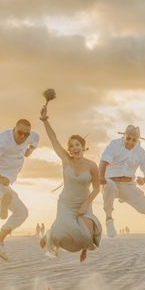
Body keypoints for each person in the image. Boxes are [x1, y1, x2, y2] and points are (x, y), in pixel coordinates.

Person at [38, 106, 102, 262]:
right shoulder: (66, 161)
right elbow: (54, 140)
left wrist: (85, 205)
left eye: (77, 145)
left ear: (82, 146)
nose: (74, 148)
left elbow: (97, 188)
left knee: (86, 235)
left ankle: (85, 249)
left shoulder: (92, 165)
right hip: (66, 203)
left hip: (84, 202)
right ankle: (49, 235)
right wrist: (45, 121)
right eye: (71, 146)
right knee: (60, 234)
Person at [0, 119, 38, 261]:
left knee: (22, 212)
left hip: (5, 184)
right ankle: (0, 205)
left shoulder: (30, 136)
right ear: (14, 129)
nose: (22, 137)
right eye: (20, 133)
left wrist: (31, 149)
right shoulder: (3, 140)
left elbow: (36, 137)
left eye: (26, 134)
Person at [99, 125, 145, 237]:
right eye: (128, 138)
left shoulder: (141, 152)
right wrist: (101, 178)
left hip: (127, 184)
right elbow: (104, 161)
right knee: (111, 187)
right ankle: (109, 219)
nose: (130, 142)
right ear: (124, 136)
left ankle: (124, 197)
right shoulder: (114, 144)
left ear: (137, 140)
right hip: (109, 181)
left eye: (134, 140)